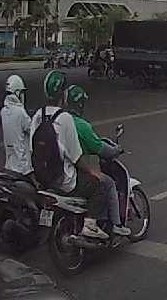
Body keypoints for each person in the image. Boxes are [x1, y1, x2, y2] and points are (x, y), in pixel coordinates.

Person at [30, 71, 109, 239]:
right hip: (65, 180)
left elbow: (32, 148)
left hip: (43, 178)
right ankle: (90, 225)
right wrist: (93, 172)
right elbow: (76, 157)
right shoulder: (65, 118)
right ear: (64, 95)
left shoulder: (37, 115)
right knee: (99, 185)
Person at [64, 85, 130, 237]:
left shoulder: (60, 121)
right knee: (108, 183)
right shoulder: (81, 125)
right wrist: (116, 150)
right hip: (76, 172)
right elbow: (99, 148)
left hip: (60, 171)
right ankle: (116, 224)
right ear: (80, 104)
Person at [0, 75, 32, 174]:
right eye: (22, 92)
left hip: (9, 164)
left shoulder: (3, 111)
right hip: (22, 166)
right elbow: (31, 129)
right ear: (17, 92)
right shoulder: (20, 112)